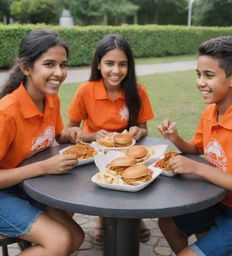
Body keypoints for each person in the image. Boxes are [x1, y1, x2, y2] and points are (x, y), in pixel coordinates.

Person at [158, 36, 232, 256]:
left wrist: (198, 169)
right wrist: (176, 138)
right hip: (216, 200)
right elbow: (196, 148)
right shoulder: (211, 112)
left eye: (208, 75)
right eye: (198, 74)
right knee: (166, 220)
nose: (200, 82)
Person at [0, 30, 85, 256]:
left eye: (63, 65)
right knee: (59, 241)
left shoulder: (50, 99)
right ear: (26, 68)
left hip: (27, 187)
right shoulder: (6, 113)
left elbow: (56, 134)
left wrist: (70, 134)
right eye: (49, 64)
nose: (59, 73)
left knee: (76, 237)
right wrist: (44, 167)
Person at [67, 34, 154, 244]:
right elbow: (69, 130)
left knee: (133, 175)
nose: (116, 70)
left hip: (128, 152)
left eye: (122, 64)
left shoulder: (137, 90)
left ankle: (134, 217)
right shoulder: (86, 90)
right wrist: (91, 136)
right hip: (96, 152)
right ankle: (102, 217)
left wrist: (137, 132)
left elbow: (144, 129)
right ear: (98, 64)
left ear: (129, 66)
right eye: (109, 63)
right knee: (104, 177)